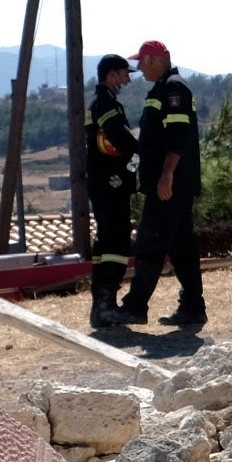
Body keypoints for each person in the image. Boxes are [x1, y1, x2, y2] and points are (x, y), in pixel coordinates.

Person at [120, 40, 206, 328]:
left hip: (170, 183)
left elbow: (178, 136)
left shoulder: (174, 88)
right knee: (182, 248)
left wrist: (167, 174)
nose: (139, 68)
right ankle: (193, 308)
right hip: (170, 182)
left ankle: (134, 307)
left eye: (142, 62)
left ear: (156, 59)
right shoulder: (164, 88)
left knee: (150, 242)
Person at [83, 53, 138, 326]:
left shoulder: (104, 102)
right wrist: (143, 151)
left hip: (106, 182)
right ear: (112, 74)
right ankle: (105, 306)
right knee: (115, 241)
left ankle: (103, 306)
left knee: (108, 241)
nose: (128, 79)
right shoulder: (104, 104)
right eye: (125, 73)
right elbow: (118, 135)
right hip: (109, 182)